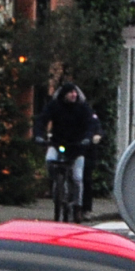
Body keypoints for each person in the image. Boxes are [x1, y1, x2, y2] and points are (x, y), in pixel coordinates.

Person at [34, 79, 102, 221]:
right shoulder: (54, 106)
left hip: (77, 147)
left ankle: (77, 207)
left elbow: (90, 124)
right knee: (49, 160)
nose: (73, 95)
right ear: (64, 94)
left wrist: (87, 138)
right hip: (57, 143)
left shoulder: (83, 108)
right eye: (70, 92)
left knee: (77, 178)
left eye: (75, 92)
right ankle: (55, 184)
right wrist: (39, 136)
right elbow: (42, 120)